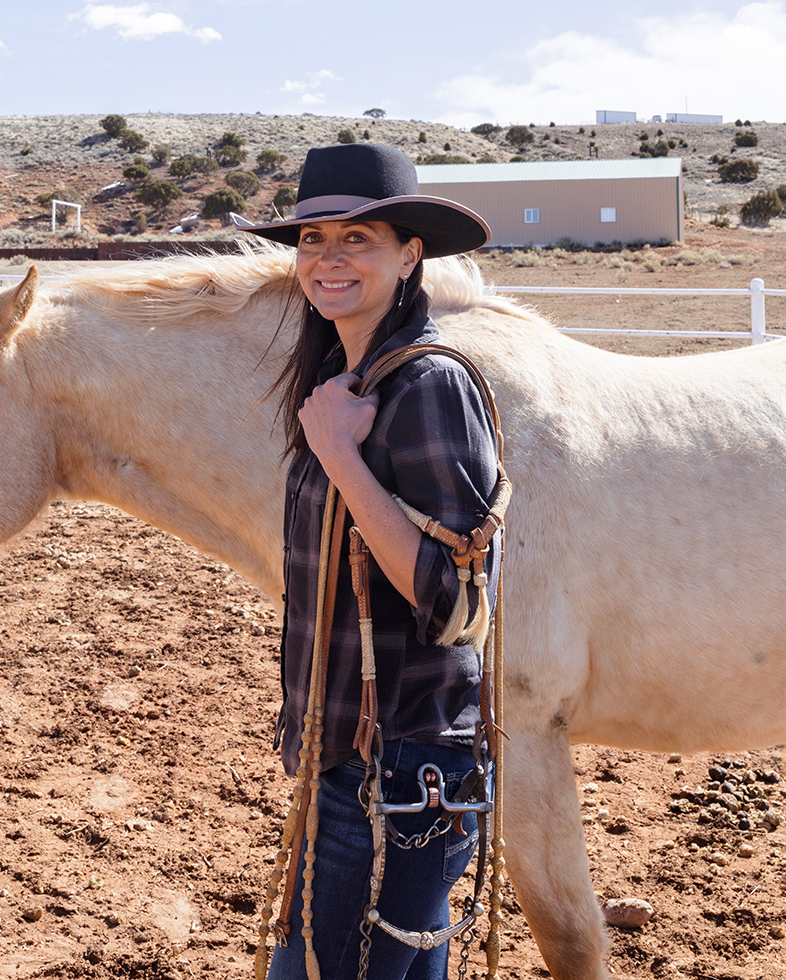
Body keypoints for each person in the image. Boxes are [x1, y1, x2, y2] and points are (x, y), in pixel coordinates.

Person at [233, 143, 498, 980]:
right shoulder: (346, 381)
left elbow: (458, 604)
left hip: (399, 766)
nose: (329, 258)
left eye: (358, 238)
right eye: (314, 240)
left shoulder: (425, 386)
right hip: (353, 756)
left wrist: (342, 457)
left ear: (410, 254)